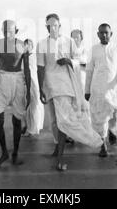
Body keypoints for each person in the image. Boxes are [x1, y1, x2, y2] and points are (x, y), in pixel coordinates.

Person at [37, 13, 102, 171]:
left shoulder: (69, 41)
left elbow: (79, 61)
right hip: (50, 85)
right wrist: (40, 88)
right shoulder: (41, 44)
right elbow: (40, 68)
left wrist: (68, 61)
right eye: (49, 25)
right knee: (55, 121)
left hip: (66, 85)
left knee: (64, 121)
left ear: (60, 26)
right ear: (46, 27)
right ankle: (57, 150)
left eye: (55, 25)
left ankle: (63, 157)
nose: (52, 28)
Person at [85, 24, 117, 157]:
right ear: (98, 34)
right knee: (100, 118)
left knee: (115, 116)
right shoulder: (93, 50)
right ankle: (103, 145)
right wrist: (87, 90)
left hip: (114, 89)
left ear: (111, 34)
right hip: (98, 90)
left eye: (106, 33)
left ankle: (112, 131)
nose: (104, 35)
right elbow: (89, 71)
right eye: (101, 33)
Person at [0, 20, 31, 167]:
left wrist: (29, 91)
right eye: (5, 30)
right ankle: (4, 152)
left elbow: (26, 69)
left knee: (16, 120)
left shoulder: (23, 45)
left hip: (18, 81)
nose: (7, 33)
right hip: (2, 80)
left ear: (16, 31)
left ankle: (15, 153)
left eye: (11, 30)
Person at [22, 39, 44, 136]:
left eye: (28, 45)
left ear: (31, 46)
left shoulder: (32, 56)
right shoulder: (24, 57)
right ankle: (29, 126)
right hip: (27, 82)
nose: (26, 46)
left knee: (33, 105)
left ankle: (32, 128)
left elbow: (33, 71)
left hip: (33, 83)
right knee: (27, 105)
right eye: (25, 45)